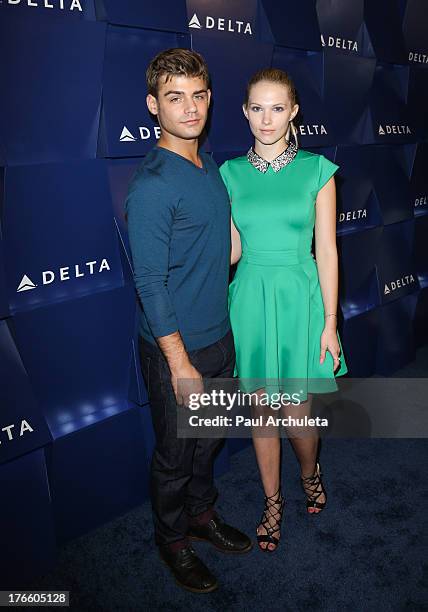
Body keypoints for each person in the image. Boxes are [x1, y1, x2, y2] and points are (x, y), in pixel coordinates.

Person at [124, 48, 252, 593]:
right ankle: (171, 539)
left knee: (209, 440)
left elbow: (222, 251)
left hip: (219, 336)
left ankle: (201, 515)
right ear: (154, 106)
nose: (190, 107)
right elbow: (150, 283)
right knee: (176, 456)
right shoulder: (153, 185)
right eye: (175, 97)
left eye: (198, 95)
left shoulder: (210, 167)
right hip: (178, 350)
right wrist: (179, 364)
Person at [219, 68, 348, 552]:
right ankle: (273, 501)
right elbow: (232, 251)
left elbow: (328, 251)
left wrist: (330, 323)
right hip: (251, 297)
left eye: (277, 108)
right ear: (244, 112)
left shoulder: (318, 170)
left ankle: (309, 471)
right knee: (262, 414)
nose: (266, 119)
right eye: (256, 108)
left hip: (300, 297)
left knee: (297, 416)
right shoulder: (229, 174)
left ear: (294, 112)